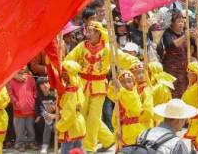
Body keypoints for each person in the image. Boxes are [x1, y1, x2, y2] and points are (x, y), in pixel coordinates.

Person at [64, 20, 134, 153]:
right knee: (83, 114)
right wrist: (68, 68)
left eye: (91, 31)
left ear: (98, 33)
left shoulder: (107, 48)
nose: (88, 34)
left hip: (99, 85)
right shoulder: (82, 46)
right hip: (82, 84)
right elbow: (69, 59)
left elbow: (122, 57)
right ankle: (108, 139)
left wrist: (134, 62)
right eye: (87, 31)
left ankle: (89, 147)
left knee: (94, 117)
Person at [159, 10, 193, 98]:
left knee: (185, 94)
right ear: (172, 23)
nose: (181, 24)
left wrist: (196, 37)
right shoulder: (167, 33)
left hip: (184, 69)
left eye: (182, 21)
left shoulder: (185, 33)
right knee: (173, 94)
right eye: (178, 22)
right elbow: (170, 46)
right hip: (172, 71)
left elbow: (195, 46)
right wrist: (185, 37)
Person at [54, 60, 85, 154]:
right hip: (78, 124)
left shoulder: (70, 92)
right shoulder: (77, 87)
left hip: (70, 127)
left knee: (66, 151)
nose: (62, 75)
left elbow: (69, 113)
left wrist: (59, 126)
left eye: (64, 73)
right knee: (78, 150)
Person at [7, 67, 36, 151]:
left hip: (30, 108)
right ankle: (20, 143)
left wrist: (33, 100)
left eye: (24, 65)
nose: (22, 67)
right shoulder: (11, 79)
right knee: (19, 129)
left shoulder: (30, 77)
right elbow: (10, 93)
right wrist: (16, 103)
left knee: (30, 128)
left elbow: (35, 90)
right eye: (20, 65)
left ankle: (31, 142)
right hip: (18, 110)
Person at [35, 77, 56, 154]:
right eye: (42, 84)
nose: (45, 85)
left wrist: (54, 113)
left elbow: (61, 107)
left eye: (46, 83)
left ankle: (60, 144)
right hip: (45, 117)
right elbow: (37, 106)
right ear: (39, 87)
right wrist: (38, 115)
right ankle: (45, 145)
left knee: (50, 124)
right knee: (47, 123)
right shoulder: (39, 96)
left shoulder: (54, 95)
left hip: (56, 118)